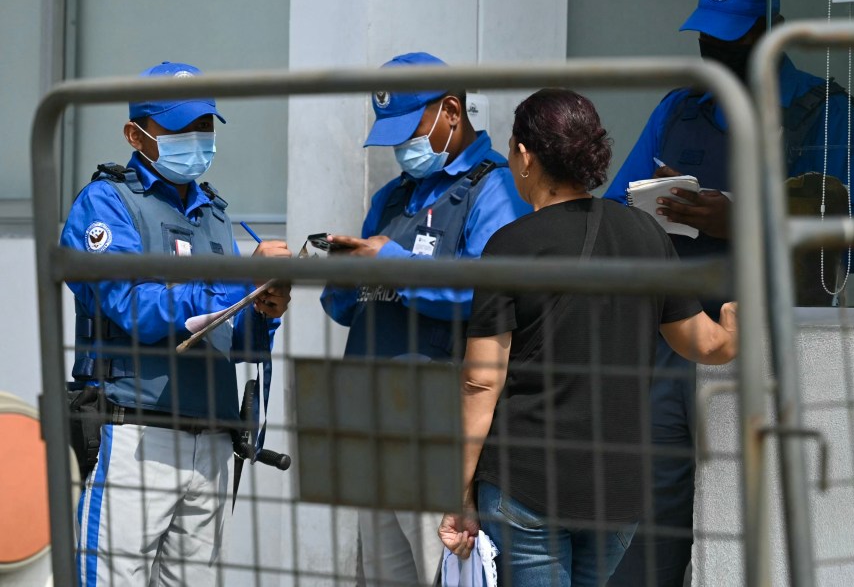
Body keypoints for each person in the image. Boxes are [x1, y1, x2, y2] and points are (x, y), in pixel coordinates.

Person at [603, 0, 854, 586]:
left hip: (777, 349)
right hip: (674, 345)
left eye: (732, 39)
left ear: (774, 30)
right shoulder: (681, 110)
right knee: (651, 535)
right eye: (707, 36)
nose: (715, 52)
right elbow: (618, 211)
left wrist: (742, 220)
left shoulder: (826, 113)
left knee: (751, 539)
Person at [438, 89, 739, 587]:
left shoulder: (510, 246)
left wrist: (461, 489)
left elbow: (480, 383)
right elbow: (704, 344)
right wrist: (735, 324)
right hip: (617, 490)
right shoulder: (646, 236)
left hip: (526, 482)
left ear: (525, 156)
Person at [61, 61, 292, 586]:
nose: (196, 139)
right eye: (180, 128)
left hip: (210, 437)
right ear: (134, 135)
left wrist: (263, 307)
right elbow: (129, 306)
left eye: (204, 127)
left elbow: (231, 331)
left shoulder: (213, 213)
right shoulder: (107, 201)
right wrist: (234, 281)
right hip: (133, 429)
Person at [320, 51, 530, 585]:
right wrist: (344, 277)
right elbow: (347, 308)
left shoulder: (495, 188)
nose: (400, 149)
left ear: (452, 113)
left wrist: (389, 263)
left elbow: (492, 292)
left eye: (408, 130)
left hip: (437, 428)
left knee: (440, 572)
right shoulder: (392, 197)